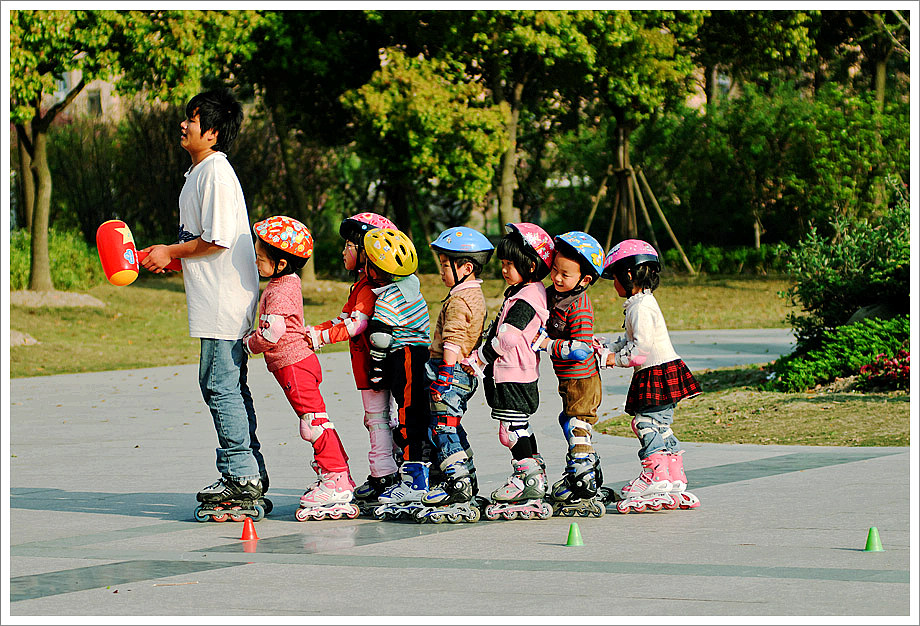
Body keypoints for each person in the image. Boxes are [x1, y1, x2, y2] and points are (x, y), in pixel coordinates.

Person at [141, 89, 268, 520]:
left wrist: (171, 252)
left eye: (192, 120)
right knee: (225, 383)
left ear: (212, 132)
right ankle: (250, 469)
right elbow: (206, 241)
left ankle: (241, 476)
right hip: (215, 294)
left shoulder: (215, 171)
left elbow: (216, 239)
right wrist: (171, 260)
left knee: (219, 384)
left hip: (224, 300)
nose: (183, 124)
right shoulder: (198, 173)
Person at [244, 216, 359, 521]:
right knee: (316, 419)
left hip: (294, 364)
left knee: (313, 422)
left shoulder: (280, 290)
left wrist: (248, 345)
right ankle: (336, 473)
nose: (256, 262)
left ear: (280, 264)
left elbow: (272, 332)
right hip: (297, 362)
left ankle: (336, 477)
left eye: (260, 258)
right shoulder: (286, 281)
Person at [594, 239, 702, 514]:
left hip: (654, 372)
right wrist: (608, 346)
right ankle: (674, 477)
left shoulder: (640, 307)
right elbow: (631, 338)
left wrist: (612, 359)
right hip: (664, 369)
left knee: (645, 423)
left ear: (628, 274)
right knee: (661, 425)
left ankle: (655, 477)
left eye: (614, 278)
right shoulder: (642, 302)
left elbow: (639, 349)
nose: (614, 284)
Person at [305, 212, 401, 512]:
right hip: (368, 365)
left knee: (378, 420)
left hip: (377, 365)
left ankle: (384, 475)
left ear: (367, 250)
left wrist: (319, 339)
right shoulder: (362, 284)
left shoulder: (371, 287)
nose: (343, 251)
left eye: (349, 244)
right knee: (379, 419)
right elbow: (344, 318)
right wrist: (313, 330)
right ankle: (389, 472)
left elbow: (355, 325)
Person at [462, 222, 554, 521]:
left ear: (530, 265)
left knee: (511, 430)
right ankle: (533, 473)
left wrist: (481, 359)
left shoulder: (527, 298)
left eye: (509, 264)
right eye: (502, 263)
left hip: (513, 374)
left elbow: (509, 337)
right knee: (519, 427)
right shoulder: (527, 290)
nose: (504, 269)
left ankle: (526, 479)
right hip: (516, 372)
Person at [416, 227, 493, 523]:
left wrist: (444, 376)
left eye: (446, 266)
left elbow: (453, 339)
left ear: (466, 268)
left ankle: (456, 482)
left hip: (450, 372)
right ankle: (467, 478)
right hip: (463, 372)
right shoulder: (474, 294)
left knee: (443, 428)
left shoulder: (460, 301)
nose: (441, 273)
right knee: (452, 425)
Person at [532, 231, 607, 517]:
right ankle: (583, 468)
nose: (557, 278)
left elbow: (582, 349)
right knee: (568, 420)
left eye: (565, 274)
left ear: (585, 280)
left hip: (583, 379)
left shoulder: (580, 305)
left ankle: (584, 476)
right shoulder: (556, 295)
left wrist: (548, 344)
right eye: (554, 271)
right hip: (568, 379)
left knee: (578, 423)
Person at [361, 227, 433, 518]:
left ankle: (414, 480)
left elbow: (379, 337)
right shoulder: (413, 288)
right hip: (421, 356)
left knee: (407, 417)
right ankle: (423, 473)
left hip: (402, 358)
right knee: (417, 414)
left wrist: (376, 368)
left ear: (376, 270)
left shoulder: (388, 298)